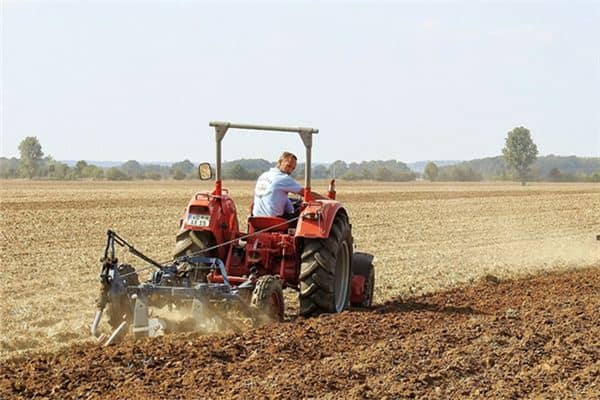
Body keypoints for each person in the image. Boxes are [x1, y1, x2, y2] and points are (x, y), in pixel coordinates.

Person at [252, 151, 303, 218]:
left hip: (256, 219)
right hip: (274, 220)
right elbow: (306, 193)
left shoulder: (263, 175)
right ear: (280, 162)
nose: (290, 171)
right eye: (288, 166)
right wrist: (321, 199)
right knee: (302, 215)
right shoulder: (283, 178)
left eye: (293, 168)